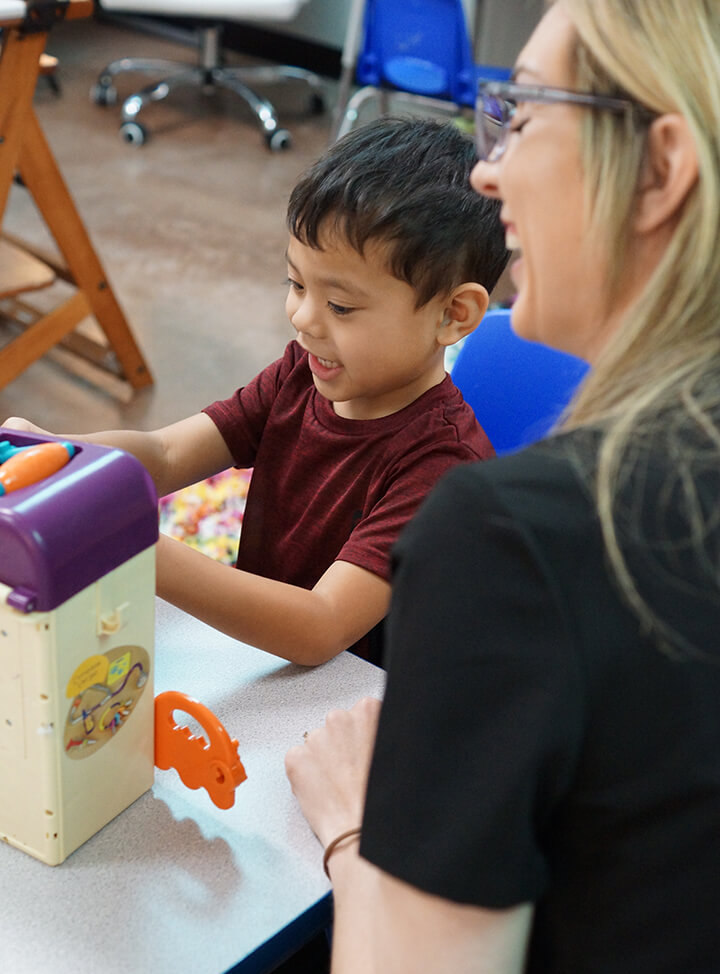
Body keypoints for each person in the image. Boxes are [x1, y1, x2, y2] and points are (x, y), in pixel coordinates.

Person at [285, 2, 720, 974]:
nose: (486, 172)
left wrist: (355, 836)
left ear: (661, 168)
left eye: (520, 115)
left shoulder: (515, 541)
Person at [3, 116, 507, 671]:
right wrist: (64, 460)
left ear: (452, 314)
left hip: (361, 704)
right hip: (266, 666)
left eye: (341, 306)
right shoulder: (301, 373)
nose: (303, 318)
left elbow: (320, 627)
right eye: (296, 284)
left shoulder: (442, 467)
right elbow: (167, 454)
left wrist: (130, 538)